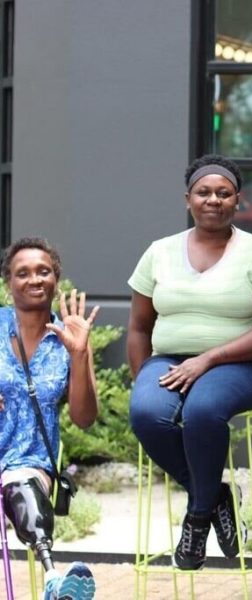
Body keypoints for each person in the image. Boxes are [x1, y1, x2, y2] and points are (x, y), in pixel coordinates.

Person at [127, 154, 252, 570]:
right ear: (188, 199)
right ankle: (215, 496)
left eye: (223, 193)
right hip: (169, 361)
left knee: (202, 410)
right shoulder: (158, 252)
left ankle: (197, 519)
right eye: (204, 192)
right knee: (147, 413)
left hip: (239, 366)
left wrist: (208, 359)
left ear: (237, 200)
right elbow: (139, 328)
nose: (213, 199)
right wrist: (143, 377)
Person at [0, 237, 98, 599]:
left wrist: (79, 354)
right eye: (22, 273)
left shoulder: (69, 336)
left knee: (22, 488)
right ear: (9, 282)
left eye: (43, 271)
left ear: (56, 279)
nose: (34, 279)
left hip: (29, 459)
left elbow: (84, 418)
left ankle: (54, 580)